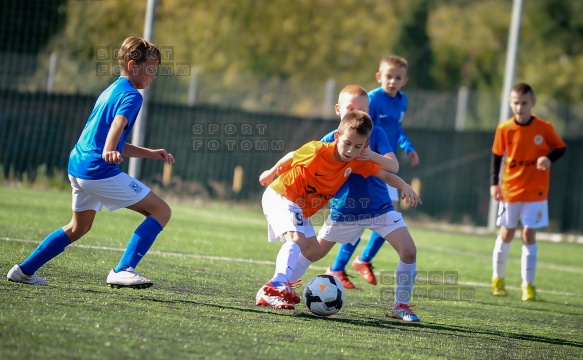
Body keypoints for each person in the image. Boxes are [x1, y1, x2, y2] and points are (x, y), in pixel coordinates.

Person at [6, 36, 174, 289]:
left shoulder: (111, 89)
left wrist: (150, 153)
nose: (153, 76)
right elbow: (116, 129)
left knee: (78, 227)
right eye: (150, 69)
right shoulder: (132, 96)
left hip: (78, 165)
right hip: (97, 170)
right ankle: (123, 270)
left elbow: (109, 139)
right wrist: (109, 149)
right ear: (132, 66)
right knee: (161, 211)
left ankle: (23, 270)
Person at [255, 109, 420, 311]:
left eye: (358, 146)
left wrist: (404, 186)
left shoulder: (356, 162)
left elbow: (385, 175)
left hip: (299, 207)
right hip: (282, 194)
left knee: (313, 250)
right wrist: (271, 173)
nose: (351, 150)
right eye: (347, 143)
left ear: (365, 146)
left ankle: (270, 293)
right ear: (337, 136)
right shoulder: (318, 149)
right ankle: (278, 283)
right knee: (296, 239)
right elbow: (292, 156)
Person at [327, 55, 419, 288]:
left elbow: (396, 129)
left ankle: (359, 261)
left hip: (383, 163)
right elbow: (360, 130)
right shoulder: (373, 100)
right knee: (365, 215)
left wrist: (407, 147)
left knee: (387, 215)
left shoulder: (402, 101)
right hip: (367, 164)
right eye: (388, 76)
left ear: (404, 81)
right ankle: (341, 265)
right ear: (379, 77)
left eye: (397, 78)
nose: (392, 81)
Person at [490, 83, 566, 301]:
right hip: (510, 189)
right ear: (510, 103)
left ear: (533, 103)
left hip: (536, 191)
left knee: (529, 234)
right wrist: (494, 183)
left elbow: (561, 148)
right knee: (506, 233)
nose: (519, 107)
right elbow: (497, 155)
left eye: (524, 103)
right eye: (515, 103)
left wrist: (548, 159)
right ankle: (498, 279)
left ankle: (528, 285)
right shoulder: (504, 128)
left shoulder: (544, 127)